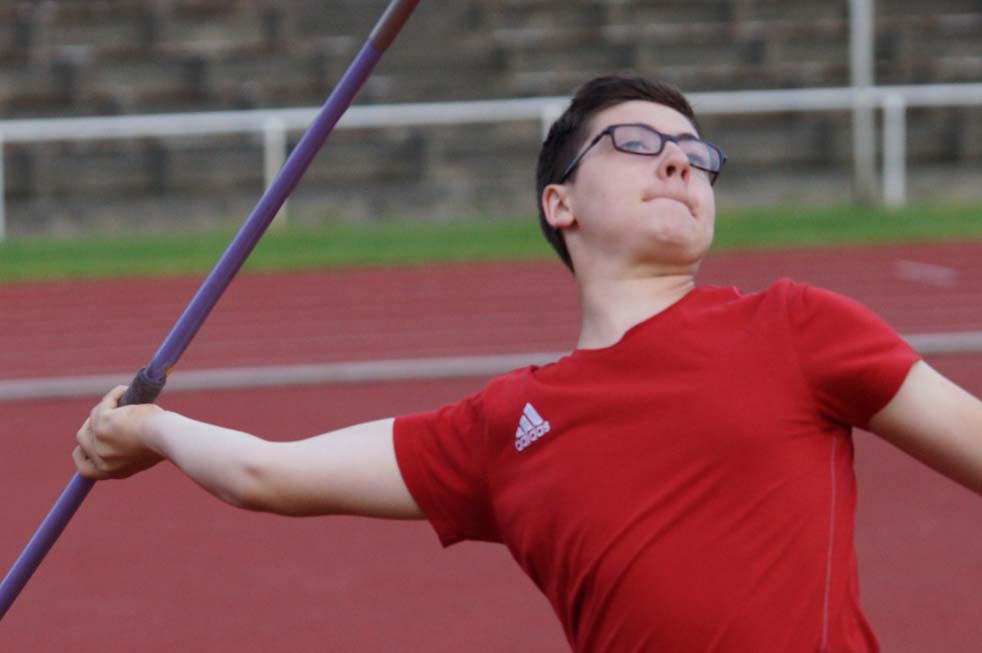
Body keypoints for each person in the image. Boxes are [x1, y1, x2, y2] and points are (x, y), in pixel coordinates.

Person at [75, 75, 982, 652]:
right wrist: (150, 428)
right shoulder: (504, 427)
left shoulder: (797, 325)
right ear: (560, 203)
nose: (678, 162)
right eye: (637, 143)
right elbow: (265, 473)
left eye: (696, 155)